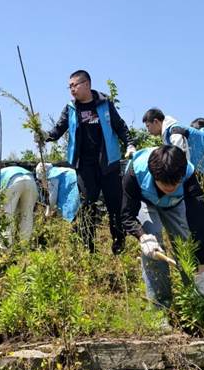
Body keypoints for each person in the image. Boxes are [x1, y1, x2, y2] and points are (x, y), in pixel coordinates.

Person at [40, 70, 135, 254]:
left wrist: (130, 144)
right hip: (84, 166)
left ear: (87, 84)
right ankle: (88, 248)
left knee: (115, 206)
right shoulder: (71, 108)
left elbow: (120, 126)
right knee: (87, 204)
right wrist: (44, 136)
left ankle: (119, 246)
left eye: (75, 85)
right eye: (69, 86)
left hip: (109, 163)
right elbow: (58, 129)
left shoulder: (105, 104)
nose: (72, 89)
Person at [122, 145, 204, 306]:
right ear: (153, 175)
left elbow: (199, 222)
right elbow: (126, 215)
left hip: (175, 204)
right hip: (146, 202)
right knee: (154, 244)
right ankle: (160, 305)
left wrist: (202, 268)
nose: (171, 189)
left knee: (187, 243)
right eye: (165, 185)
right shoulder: (135, 172)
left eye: (175, 184)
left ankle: (197, 300)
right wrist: (143, 237)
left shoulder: (187, 174)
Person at [142, 108, 204, 175]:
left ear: (156, 121)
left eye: (148, 126)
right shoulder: (169, 133)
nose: (148, 131)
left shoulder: (175, 131)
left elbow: (181, 157)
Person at [0, 166, 38, 246]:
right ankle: (23, 247)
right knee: (27, 215)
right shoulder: (5, 172)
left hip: (14, 182)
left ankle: (5, 249)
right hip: (31, 181)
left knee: (6, 216)